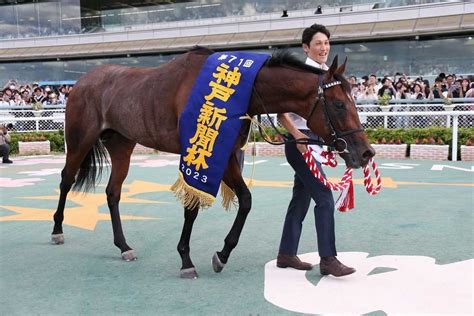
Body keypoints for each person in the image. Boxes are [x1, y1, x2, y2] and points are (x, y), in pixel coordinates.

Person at [276, 23, 355, 277]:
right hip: (300, 143)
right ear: (306, 47)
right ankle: (328, 259)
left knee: (301, 198)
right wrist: (297, 135)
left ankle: (286, 254)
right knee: (323, 196)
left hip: (316, 143)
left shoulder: (328, 74)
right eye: (318, 43)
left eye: (326, 43)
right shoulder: (299, 75)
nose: (324, 48)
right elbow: (281, 113)